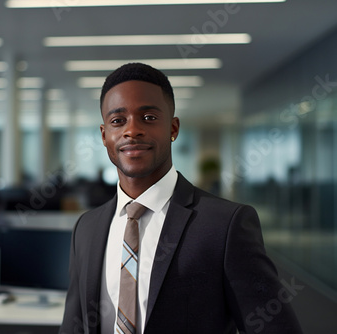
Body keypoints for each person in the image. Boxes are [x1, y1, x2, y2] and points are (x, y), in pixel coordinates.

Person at [59, 63, 302, 334]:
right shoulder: (86, 228)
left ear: (173, 128)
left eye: (148, 118)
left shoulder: (224, 225)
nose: (132, 130)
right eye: (118, 121)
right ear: (105, 136)